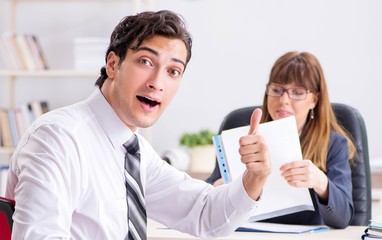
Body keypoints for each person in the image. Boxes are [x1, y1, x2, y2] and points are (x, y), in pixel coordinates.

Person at [5, 10, 271, 239]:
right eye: (146, 61)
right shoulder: (59, 138)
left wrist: (254, 177)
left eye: (173, 71)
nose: (157, 82)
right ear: (113, 64)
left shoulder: (135, 153)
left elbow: (204, 213)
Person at [206, 51, 356, 229]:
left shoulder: (333, 144)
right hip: (246, 234)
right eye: (277, 90)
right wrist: (222, 186)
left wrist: (320, 182)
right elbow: (209, 198)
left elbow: (343, 218)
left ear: (314, 100)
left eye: (297, 93)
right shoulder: (244, 137)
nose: (283, 100)